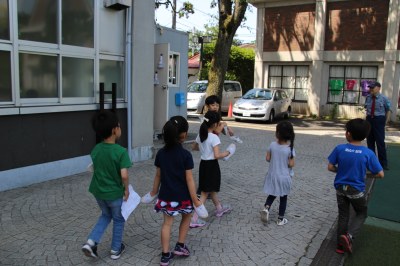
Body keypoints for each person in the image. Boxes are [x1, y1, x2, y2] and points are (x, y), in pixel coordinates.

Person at [141, 116, 208, 266]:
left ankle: (165, 255)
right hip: (183, 196)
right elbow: (189, 180)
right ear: (183, 135)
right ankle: (180, 245)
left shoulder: (161, 154)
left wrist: (153, 192)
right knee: (186, 217)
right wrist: (196, 200)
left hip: (166, 196)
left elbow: (158, 175)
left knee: (167, 224)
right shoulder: (185, 155)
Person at [328, 118, 384, 254]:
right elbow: (380, 174)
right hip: (356, 190)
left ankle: (340, 247)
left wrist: (340, 171)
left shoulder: (340, 148)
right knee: (361, 213)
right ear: (365, 136)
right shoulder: (368, 153)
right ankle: (349, 236)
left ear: (348, 134)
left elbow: (330, 167)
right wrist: (366, 175)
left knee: (343, 215)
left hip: (340, 189)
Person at [82, 110, 132, 260]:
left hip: (98, 192)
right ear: (114, 130)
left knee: (105, 215)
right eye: (119, 126)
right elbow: (124, 175)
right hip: (114, 194)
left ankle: (91, 242)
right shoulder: (120, 151)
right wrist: (127, 189)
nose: (120, 128)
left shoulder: (96, 149)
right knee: (118, 219)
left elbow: (95, 167)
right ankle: (116, 249)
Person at [190, 111, 236, 228]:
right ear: (214, 124)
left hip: (203, 165)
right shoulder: (214, 137)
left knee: (211, 188)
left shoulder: (201, 135)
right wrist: (228, 152)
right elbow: (217, 155)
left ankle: (219, 209)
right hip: (212, 166)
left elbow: (194, 147)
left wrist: (203, 149)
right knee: (205, 192)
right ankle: (194, 218)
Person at [260, 121, 295, 226]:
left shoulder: (272, 145)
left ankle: (266, 208)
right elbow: (291, 164)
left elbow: (267, 158)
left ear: (277, 133)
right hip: (284, 177)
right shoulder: (290, 149)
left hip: (273, 175)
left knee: (272, 194)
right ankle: (280, 219)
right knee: (283, 197)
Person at [364, 81, 391, 170]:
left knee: (380, 143)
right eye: (370, 87)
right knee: (370, 143)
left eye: (373, 87)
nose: (370, 89)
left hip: (379, 120)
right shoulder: (368, 97)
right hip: (369, 120)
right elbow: (366, 110)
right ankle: (372, 163)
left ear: (378, 88)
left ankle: (383, 163)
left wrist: (385, 122)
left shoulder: (384, 98)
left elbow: (388, 111)